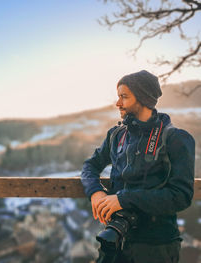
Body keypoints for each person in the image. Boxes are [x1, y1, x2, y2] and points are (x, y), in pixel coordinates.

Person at [80, 70, 195, 263]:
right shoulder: (116, 135)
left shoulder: (176, 139)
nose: (118, 103)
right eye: (118, 97)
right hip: (115, 239)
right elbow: (90, 166)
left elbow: (181, 196)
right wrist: (95, 192)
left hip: (157, 247)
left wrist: (123, 200)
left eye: (124, 97)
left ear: (143, 99)